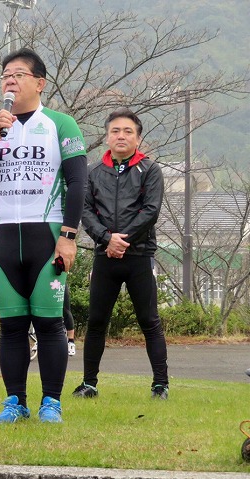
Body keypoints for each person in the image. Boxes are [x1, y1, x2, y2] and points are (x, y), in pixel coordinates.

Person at [0, 48, 88, 423]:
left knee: (49, 323)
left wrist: (68, 235)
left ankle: (52, 402)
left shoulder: (61, 124)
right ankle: (15, 401)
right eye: (5, 75)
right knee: (12, 326)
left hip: (47, 235)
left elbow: (78, 183)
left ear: (39, 82)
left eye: (18, 74)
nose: (10, 81)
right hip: (3, 238)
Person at [73, 107, 169, 400]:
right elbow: (85, 211)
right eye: (115, 131)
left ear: (138, 138)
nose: (121, 136)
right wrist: (106, 239)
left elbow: (150, 211)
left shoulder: (150, 170)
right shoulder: (93, 172)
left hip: (139, 255)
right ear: (107, 137)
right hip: (105, 256)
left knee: (149, 321)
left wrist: (121, 241)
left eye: (128, 131)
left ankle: (160, 385)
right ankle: (89, 383)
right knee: (96, 322)